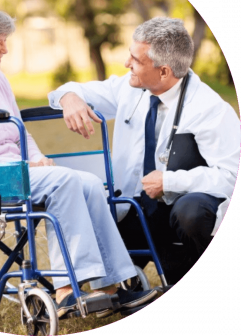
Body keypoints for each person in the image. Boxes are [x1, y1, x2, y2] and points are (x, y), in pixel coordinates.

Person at [0, 4, 158, 318]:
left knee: (89, 183)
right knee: (63, 182)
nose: (5, 49)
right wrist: (23, 167)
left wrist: (35, 157)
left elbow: (20, 132)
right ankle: (65, 289)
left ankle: (111, 285)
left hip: (15, 171)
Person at [48, 17, 240, 284]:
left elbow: (231, 176)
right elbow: (72, 89)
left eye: (135, 60)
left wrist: (171, 181)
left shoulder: (210, 109)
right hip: (135, 208)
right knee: (93, 220)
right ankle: (130, 279)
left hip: (179, 212)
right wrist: (69, 99)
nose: (127, 64)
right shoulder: (129, 88)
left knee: (192, 211)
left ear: (163, 71)